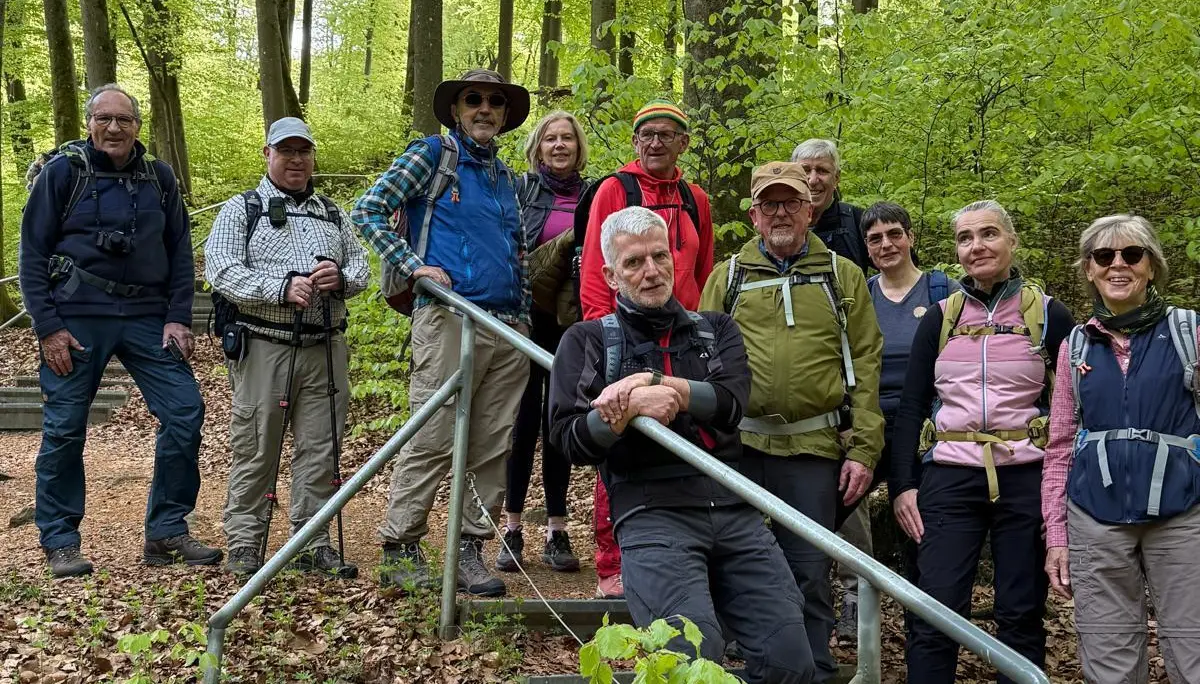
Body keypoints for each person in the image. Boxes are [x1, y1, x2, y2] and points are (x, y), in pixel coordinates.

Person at [549, 206, 813, 684]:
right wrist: (628, 411)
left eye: (658, 256)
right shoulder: (586, 341)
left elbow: (733, 404)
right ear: (610, 274)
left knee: (791, 658)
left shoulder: (716, 329)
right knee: (691, 657)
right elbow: (570, 440)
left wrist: (653, 383)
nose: (650, 271)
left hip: (737, 508)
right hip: (651, 514)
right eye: (633, 263)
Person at [19, 83, 218, 577]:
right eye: (104, 118)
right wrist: (48, 328)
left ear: (137, 126)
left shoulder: (159, 177)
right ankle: (60, 540)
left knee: (185, 410)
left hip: (148, 317)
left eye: (123, 119)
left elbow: (178, 253)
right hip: (77, 317)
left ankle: (167, 531)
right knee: (65, 426)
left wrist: (178, 317)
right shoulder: (63, 173)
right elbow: (32, 255)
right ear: (89, 124)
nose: (114, 127)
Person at [698, 162, 883, 683]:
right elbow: (698, 357)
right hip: (740, 447)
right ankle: (743, 666)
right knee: (733, 561)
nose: (780, 213)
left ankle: (815, 670)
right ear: (754, 215)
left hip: (814, 448)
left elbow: (866, 364)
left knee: (808, 569)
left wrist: (865, 449)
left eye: (791, 203)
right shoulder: (728, 277)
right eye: (770, 204)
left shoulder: (842, 276)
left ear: (811, 210)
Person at [353, 69, 532, 597]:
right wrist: (413, 266)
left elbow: (517, 250)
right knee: (430, 436)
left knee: (492, 445)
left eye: (494, 103)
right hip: (450, 317)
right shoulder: (432, 154)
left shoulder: (505, 177)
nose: (484, 109)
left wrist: (522, 312)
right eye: (473, 100)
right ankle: (401, 548)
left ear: (503, 115)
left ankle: (470, 551)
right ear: (456, 110)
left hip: (506, 327)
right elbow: (369, 211)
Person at [891, 200, 1075, 684]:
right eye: (966, 238)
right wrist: (902, 486)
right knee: (936, 612)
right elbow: (912, 405)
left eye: (989, 234)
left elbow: (1079, 403)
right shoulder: (941, 316)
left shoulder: (1048, 315)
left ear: (1012, 242)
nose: (977, 247)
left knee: (1020, 613)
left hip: (1025, 475)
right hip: (950, 474)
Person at [205, 117, 370, 579]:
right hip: (263, 344)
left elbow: (360, 268)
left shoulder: (333, 213)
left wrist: (341, 279)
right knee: (257, 444)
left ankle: (311, 539)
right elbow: (220, 271)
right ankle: (244, 540)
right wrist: (280, 287)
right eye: (286, 150)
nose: (296, 159)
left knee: (322, 447)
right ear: (268, 154)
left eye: (304, 151)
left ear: (313, 156)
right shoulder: (243, 209)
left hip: (326, 346)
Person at [1042, 215, 1200, 683]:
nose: (1118, 265)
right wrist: (1057, 536)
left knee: (1194, 653)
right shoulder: (1076, 345)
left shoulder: (1190, 333)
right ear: (1088, 268)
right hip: (1095, 517)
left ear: (1152, 266)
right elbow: (1061, 444)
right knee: (1108, 661)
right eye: (1103, 256)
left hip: (1183, 514)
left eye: (1132, 255)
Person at [578, 99, 715, 599]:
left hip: (684, 337)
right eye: (645, 135)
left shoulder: (695, 198)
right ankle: (612, 563)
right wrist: (604, 334)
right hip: (625, 330)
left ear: (683, 141)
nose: (655, 143)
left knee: (690, 439)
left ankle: (690, 554)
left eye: (666, 134)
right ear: (635, 142)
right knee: (621, 437)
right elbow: (597, 265)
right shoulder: (615, 189)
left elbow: (701, 274)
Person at [832, 202, 961, 647]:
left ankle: (923, 637)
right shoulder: (859, 296)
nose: (886, 244)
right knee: (825, 507)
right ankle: (839, 610)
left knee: (920, 535)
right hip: (867, 427)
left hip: (927, 431)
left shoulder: (942, 292)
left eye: (894, 234)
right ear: (866, 248)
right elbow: (839, 362)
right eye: (874, 238)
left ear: (910, 238)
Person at [496, 111, 591, 574]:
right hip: (525, 317)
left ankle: (558, 530)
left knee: (560, 419)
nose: (559, 145)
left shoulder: (592, 195)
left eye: (567, 138)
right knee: (522, 419)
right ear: (537, 147)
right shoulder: (520, 191)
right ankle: (511, 528)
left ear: (578, 147)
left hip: (570, 322)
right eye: (551, 138)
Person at [789, 139, 869, 273]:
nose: (813, 180)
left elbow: (900, 272)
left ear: (836, 178)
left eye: (822, 171)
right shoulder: (779, 222)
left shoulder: (858, 221)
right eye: (805, 170)